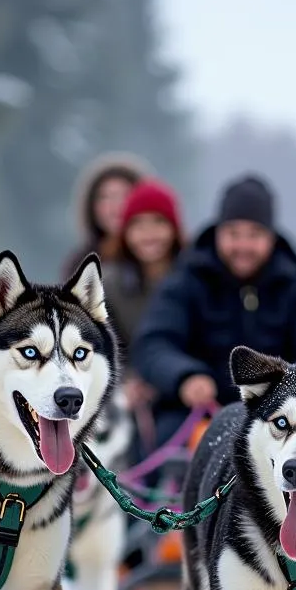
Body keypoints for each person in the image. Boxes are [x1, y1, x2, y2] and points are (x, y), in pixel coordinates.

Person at [131, 173, 296, 443]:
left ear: (271, 238)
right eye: (233, 234)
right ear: (218, 232)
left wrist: (292, 386)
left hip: (280, 421)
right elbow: (153, 344)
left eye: (254, 235)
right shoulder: (184, 284)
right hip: (193, 418)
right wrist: (185, 377)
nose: (243, 245)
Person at [109, 178, 185, 417]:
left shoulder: (194, 279)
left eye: (158, 223)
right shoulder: (110, 284)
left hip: (184, 393)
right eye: (138, 226)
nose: (148, 234)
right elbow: (105, 343)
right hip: (132, 400)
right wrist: (127, 381)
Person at [59, 152, 150, 280]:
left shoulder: (163, 258)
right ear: (91, 207)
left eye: (124, 195)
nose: (115, 206)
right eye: (105, 197)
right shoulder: (80, 265)